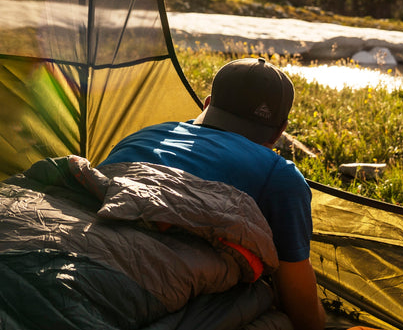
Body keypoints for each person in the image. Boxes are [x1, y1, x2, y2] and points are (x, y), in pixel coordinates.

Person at [101, 57, 327, 330]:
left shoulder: (144, 136)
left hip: (75, 250)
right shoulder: (279, 176)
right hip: (138, 290)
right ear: (280, 130)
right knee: (276, 319)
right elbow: (301, 306)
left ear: (206, 104)